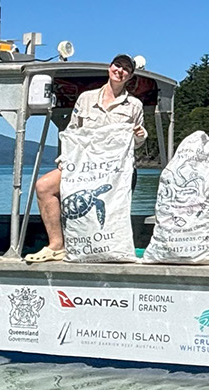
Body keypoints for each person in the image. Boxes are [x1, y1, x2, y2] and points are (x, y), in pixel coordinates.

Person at [27, 55, 150, 264]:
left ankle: (112, 251)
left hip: (117, 171)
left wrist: (140, 136)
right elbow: (73, 131)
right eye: (117, 65)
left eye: (126, 69)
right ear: (109, 67)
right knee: (44, 186)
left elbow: (135, 143)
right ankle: (56, 246)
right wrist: (66, 160)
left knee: (112, 210)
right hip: (83, 167)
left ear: (130, 76)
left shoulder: (135, 105)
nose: (120, 71)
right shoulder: (86, 98)